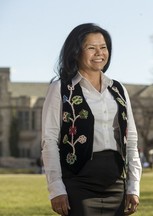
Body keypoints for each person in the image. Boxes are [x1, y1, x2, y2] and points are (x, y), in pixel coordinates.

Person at [41, 23, 142, 216]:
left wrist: (133, 187)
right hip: (78, 182)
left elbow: (132, 140)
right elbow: (50, 141)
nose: (99, 53)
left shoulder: (118, 89)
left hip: (115, 182)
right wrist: (56, 189)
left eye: (103, 47)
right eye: (91, 47)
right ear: (76, 52)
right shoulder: (61, 89)